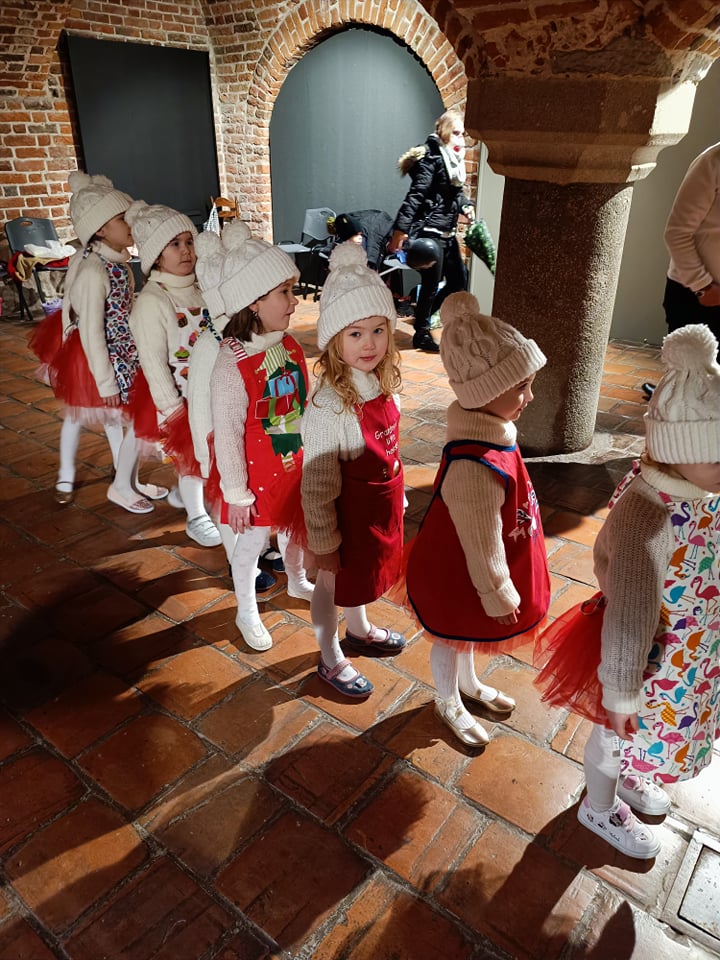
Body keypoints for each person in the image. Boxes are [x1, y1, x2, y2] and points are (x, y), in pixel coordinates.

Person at [536, 323, 720, 860]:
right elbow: (630, 614)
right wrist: (620, 691)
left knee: (635, 735)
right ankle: (598, 806)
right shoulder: (649, 516)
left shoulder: (698, 485)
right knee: (613, 731)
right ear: (678, 449)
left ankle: (633, 773)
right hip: (640, 656)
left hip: (680, 648)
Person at [406, 292, 549, 745]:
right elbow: (482, 540)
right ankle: (447, 698)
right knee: (451, 635)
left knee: (466, 632)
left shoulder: (495, 433)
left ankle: (468, 685)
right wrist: (497, 590)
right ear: (485, 393)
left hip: (475, 566)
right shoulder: (474, 466)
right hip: (460, 570)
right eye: (520, 387)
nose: (530, 396)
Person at [301, 242, 407, 699]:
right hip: (342, 516)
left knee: (363, 576)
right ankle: (329, 655)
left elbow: (391, 445)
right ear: (333, 341)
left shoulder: (382, 383)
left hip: (378, 507)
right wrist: (324, 542)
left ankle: (359, 629)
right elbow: (317, 486)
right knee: (332, 583)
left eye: (378, 330)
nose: (369, 344)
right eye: (356, 333)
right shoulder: (329, 406)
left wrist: (399, 492)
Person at [207, 223, 314, 651]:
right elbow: (228, 434)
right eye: (284, 292)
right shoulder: (230, 364)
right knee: (251, 543)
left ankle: (297, 578)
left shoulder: (289, 345)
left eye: (292, 290)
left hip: (293, 461)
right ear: (254, 301)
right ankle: (246, 608)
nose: (294, 300)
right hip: (255, 475)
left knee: (294, 528)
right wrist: (236, 494)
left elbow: (304, 403)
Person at [50, 171, 165, 512]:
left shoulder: (118, 264)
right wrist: (105, 380)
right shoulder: (93, 271)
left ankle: (126, 479)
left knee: (123, 419)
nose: (130, 225)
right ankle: (82, 477)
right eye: (121, 219)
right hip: (99, 357)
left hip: (122, 351)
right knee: (93, 416)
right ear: (100, 229)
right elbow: (91, 330)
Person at [126, 200, 221, 547]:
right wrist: (172, 408)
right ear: (155, 255)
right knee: (189, 458)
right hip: (181, 396)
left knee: (212, 452)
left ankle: (193, 496)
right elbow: (152, 361)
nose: (186, 251)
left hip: (212, 389)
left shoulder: (200, 288)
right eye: (175, 244)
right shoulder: (153, 300)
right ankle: (196, 517)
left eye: (189, 241)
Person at [189, 225, 277, 593]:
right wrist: (206, 458)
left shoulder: (259, 339)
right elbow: (199, 409)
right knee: (230, 508)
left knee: (258, 499)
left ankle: (263, 548)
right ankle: (237, 558)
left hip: (253, 438)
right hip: (220, 444)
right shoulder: (211, 347)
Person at [388, 109, 475, 354]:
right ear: (444, 132)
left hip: (448, 234)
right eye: (456, 133)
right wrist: (400, 230)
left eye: (463, 134)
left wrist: (466, 206)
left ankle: (422, 317)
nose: (460, 139)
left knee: (459, 280)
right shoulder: (432, 158)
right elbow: (416, 196)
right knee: (431, 283)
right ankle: (422, 333)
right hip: (428, 232)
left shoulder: (454, 161)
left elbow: (456, 195)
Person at [643, 140, 720, 399]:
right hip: (698, 296)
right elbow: (677, 233)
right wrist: (703, 287)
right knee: (687, 392)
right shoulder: (713, 161)